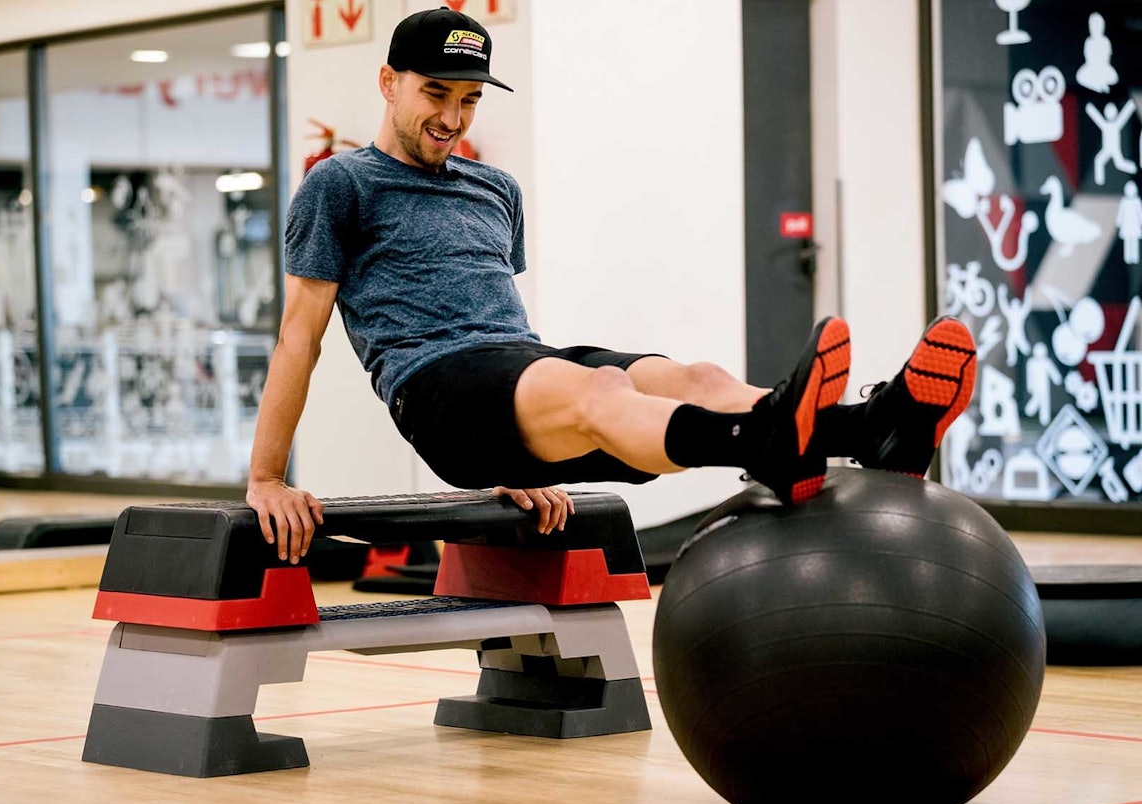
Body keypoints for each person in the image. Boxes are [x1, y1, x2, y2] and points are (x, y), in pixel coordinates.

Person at [246, 7, 977, 563]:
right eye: (435, 93)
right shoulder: (339, 186)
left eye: (468, 100)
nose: (450, 118)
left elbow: (501, 319)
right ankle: (766, 442)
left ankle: (876, 429)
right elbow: (299, 337)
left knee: (689, 374)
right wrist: (267, 477)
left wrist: (520, 453)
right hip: (435, 388)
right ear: (388, 82)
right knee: (605, 394)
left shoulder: (494, 188)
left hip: (516, 369)